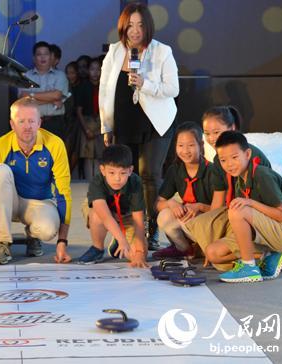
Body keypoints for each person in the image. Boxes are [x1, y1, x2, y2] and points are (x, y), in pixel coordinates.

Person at [99, 2, 179, 251]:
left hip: (155, 122)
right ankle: (125, 230)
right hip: (124, 122)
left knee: (149, 176)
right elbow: (105, 91)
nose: (134, 30)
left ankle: (152, 229)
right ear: (123, 27)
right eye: (130, 25)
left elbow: (172, 89)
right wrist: (106, 126)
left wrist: (145, 84)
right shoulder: (114, 52)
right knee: (124, 177)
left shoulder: (162, 51)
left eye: (140, 25)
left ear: (148, 27)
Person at [0, 97, 72, 265]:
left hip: (39, 204)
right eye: (21, 121)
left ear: (39, 123)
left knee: (47, 229)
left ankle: (33, 236)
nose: (27, 126)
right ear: (12, 124)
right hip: (8, 203)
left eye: (32, 121)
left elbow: (64, 194)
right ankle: (2, 244)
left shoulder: (55, 144)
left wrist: (62, 242)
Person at [183, 106, 277, 271]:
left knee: (219, 251)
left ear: (232, 128)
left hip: (259, 214)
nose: (211, 138)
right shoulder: (219, 161)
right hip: (237, 213)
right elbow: (218, 203)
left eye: (216, 132)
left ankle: (274, 249)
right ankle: (258, 255)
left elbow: (270, 204)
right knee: (202, 230)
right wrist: (209, 233)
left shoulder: (250, 155)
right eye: (207, 133)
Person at [207, 131, 282, 282]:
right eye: (223, 160)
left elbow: (281, 215)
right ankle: (267, 255)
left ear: (247, 154)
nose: (229, 164)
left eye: (234, 157)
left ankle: (249, 267)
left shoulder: (261, 175)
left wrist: (250, 203)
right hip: (264, 232)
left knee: (237, 210)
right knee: (213, 252)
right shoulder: (240, 180)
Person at [153, 122, 224, 259]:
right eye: (180, 145)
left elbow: (221, 210)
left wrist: (199, 207)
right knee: (164, 216)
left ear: (201, 145)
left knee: (186, 220)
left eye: (191, 145)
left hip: (210, 224)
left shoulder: (213, 171)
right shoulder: (175, 170)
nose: (185, 151)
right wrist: (171, 203)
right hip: (189, 223)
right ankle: (185, 249)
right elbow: (158, 204)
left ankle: (204, 248)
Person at [77, 144, 148, 268]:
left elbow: (138, 221)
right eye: (112, 172)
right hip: (104, 212)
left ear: (130, 170)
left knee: (135, 257)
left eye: (123, 173)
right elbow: (105, 216)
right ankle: (97, 248)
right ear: (103, 170)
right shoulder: (97, 182)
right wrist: (122, 240)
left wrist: (140, 252)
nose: (117, 178)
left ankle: (117, 241)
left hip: (127, 215)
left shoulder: (135, 182)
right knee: (96, 215)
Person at [19, 41, 69, 139]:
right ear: (34, 58)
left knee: (54, 153)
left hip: (55, 123)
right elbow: (23, 99)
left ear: (51, 57)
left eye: (46, 54)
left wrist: (31, 95)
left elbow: (57, 95)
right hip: (31, 123)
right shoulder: (26, 76)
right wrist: (51, 99)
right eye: (39, 54)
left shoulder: (60, 75)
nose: (43, 57)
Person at [76, 57, 104, 181]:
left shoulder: (105, 87)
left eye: (98, 69)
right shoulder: (83, 86)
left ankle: (99, 183)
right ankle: (88, 184)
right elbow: (79, 111)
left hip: (101, 122)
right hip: (86, 123)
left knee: (101, 155)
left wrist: (102, 126)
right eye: (92, 69)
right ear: (88, 71)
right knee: (87, 155)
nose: (95, 72)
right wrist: (86, 129)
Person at [64, 61, 82, 173]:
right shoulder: (64, 86)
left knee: (77, 149)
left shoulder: (82, 86)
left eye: (72, 73)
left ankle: (70, 173)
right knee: (67, 147)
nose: (70, 75)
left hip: (79, 121)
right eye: (68, 73)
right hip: (67, 121)